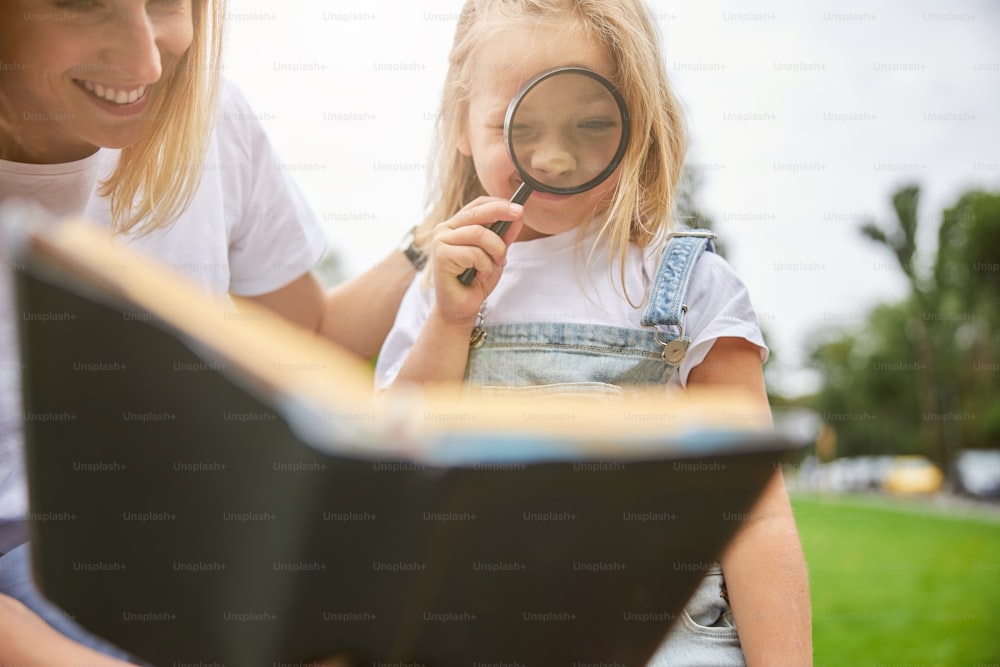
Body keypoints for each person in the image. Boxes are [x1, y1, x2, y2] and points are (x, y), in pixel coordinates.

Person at [374, 1, 813, 665]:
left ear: (637, 126)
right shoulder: (440, 289)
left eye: (592, 124)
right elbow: (397, 469)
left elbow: (755, 514)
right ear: (462, 125)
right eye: (516, 126)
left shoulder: (691, 285)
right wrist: (449, 322)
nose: (551, 156)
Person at [0, 0, 423, 664]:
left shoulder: (211, 119)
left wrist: (430, 248)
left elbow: (302, 343)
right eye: (86, 4)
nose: (147, 61)